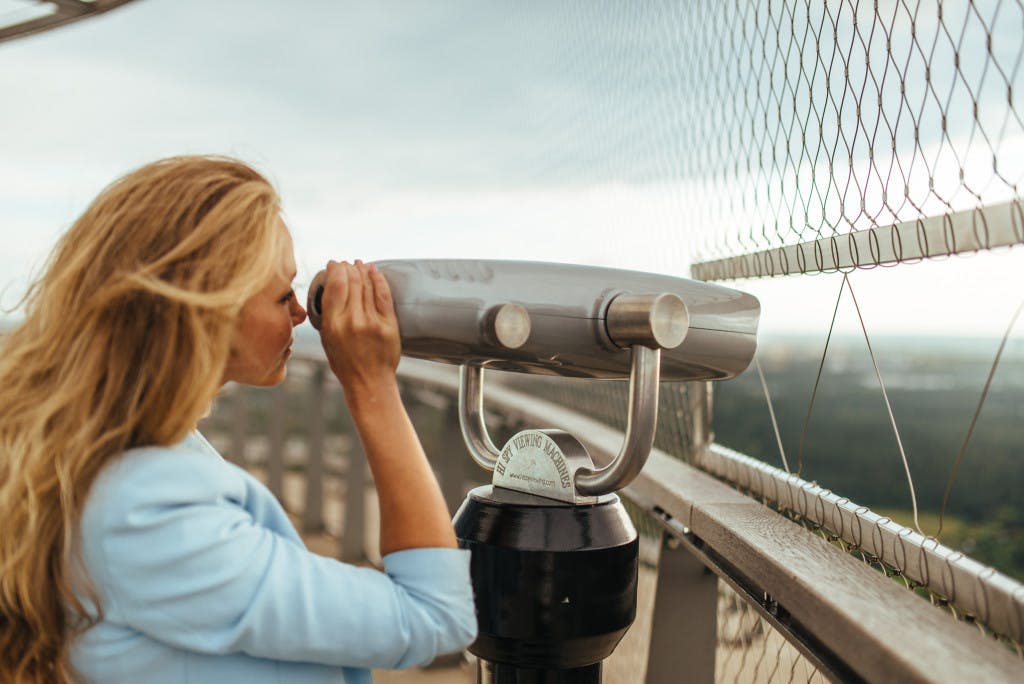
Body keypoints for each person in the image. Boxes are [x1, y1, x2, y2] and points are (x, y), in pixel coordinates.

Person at [0, 156, 477, 683]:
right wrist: (373, 385)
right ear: (207, 314)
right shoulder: (147, 510)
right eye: (281, 294)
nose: (301, 313)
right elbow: (434, 614)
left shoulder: (130, 456)